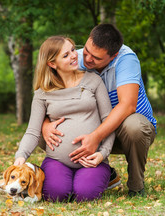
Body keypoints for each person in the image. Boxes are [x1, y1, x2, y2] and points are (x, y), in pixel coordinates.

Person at [42, 24, 157, 197]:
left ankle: (136, 185)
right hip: (95, 130)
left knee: (134, 126)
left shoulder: (127, 59)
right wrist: (45, 125)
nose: (86, 59)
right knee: (44, 131)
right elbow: (49, 97)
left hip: (130, 132)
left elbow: (127, 106)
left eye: (95, 58)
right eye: (86, 50)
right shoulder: (76, 58)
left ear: (113, 56)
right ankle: (100, 173)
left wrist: (96, 137)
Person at [13, 36, 115, 202]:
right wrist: (21, 156)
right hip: (57, 161)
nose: (74, 55)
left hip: (92, 159)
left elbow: (108, 121)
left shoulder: (93, 80)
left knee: (85, 195)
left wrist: (102, 154)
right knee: (55, 195)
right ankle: (60, 179)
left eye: (73, 50)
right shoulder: (42, 93)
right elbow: (32, 131)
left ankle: (107, 176)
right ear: (52, 64)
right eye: (66, 55)